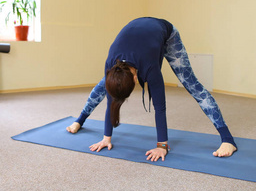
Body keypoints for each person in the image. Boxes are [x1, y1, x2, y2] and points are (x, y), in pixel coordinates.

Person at [66, 17, 237, 161]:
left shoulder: (150, 68)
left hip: (166, 33)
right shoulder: (111, 64)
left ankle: (228, 139)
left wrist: (162, 146)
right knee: (102, 87)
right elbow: (112, 100)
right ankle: (80, 120)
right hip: (140, 36)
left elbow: (159, 106)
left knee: (192, 85)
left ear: (136, 78)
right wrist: (106, 138)